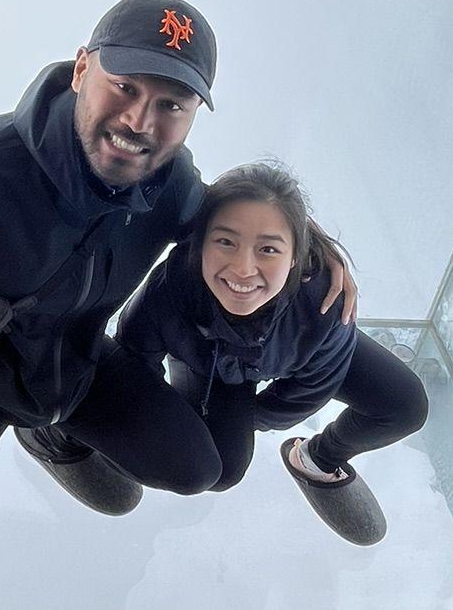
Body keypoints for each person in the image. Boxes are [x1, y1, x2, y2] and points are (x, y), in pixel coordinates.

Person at [0, 0, 356, 588]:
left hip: (65, 369)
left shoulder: (171, 188)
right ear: (82, 68)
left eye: (172, 105)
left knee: (195, 467)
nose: (140, 122)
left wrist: (308, 239)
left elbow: (230, 219)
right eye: (126, 87)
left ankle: (45, 434)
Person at [114, 162, 428, 544]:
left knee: (405, 404)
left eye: (268, 250)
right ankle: (66, 439)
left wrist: (255, 416)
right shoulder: (171, 291)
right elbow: (134, 360)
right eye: (225, 242)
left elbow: (314, 386)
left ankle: (316, 460)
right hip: (207, 364)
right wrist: (136, 433)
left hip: (291, 347)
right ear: (200, 244)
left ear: (296, 256)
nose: (244, 269)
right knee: (223, 470)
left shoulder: (324, 300)